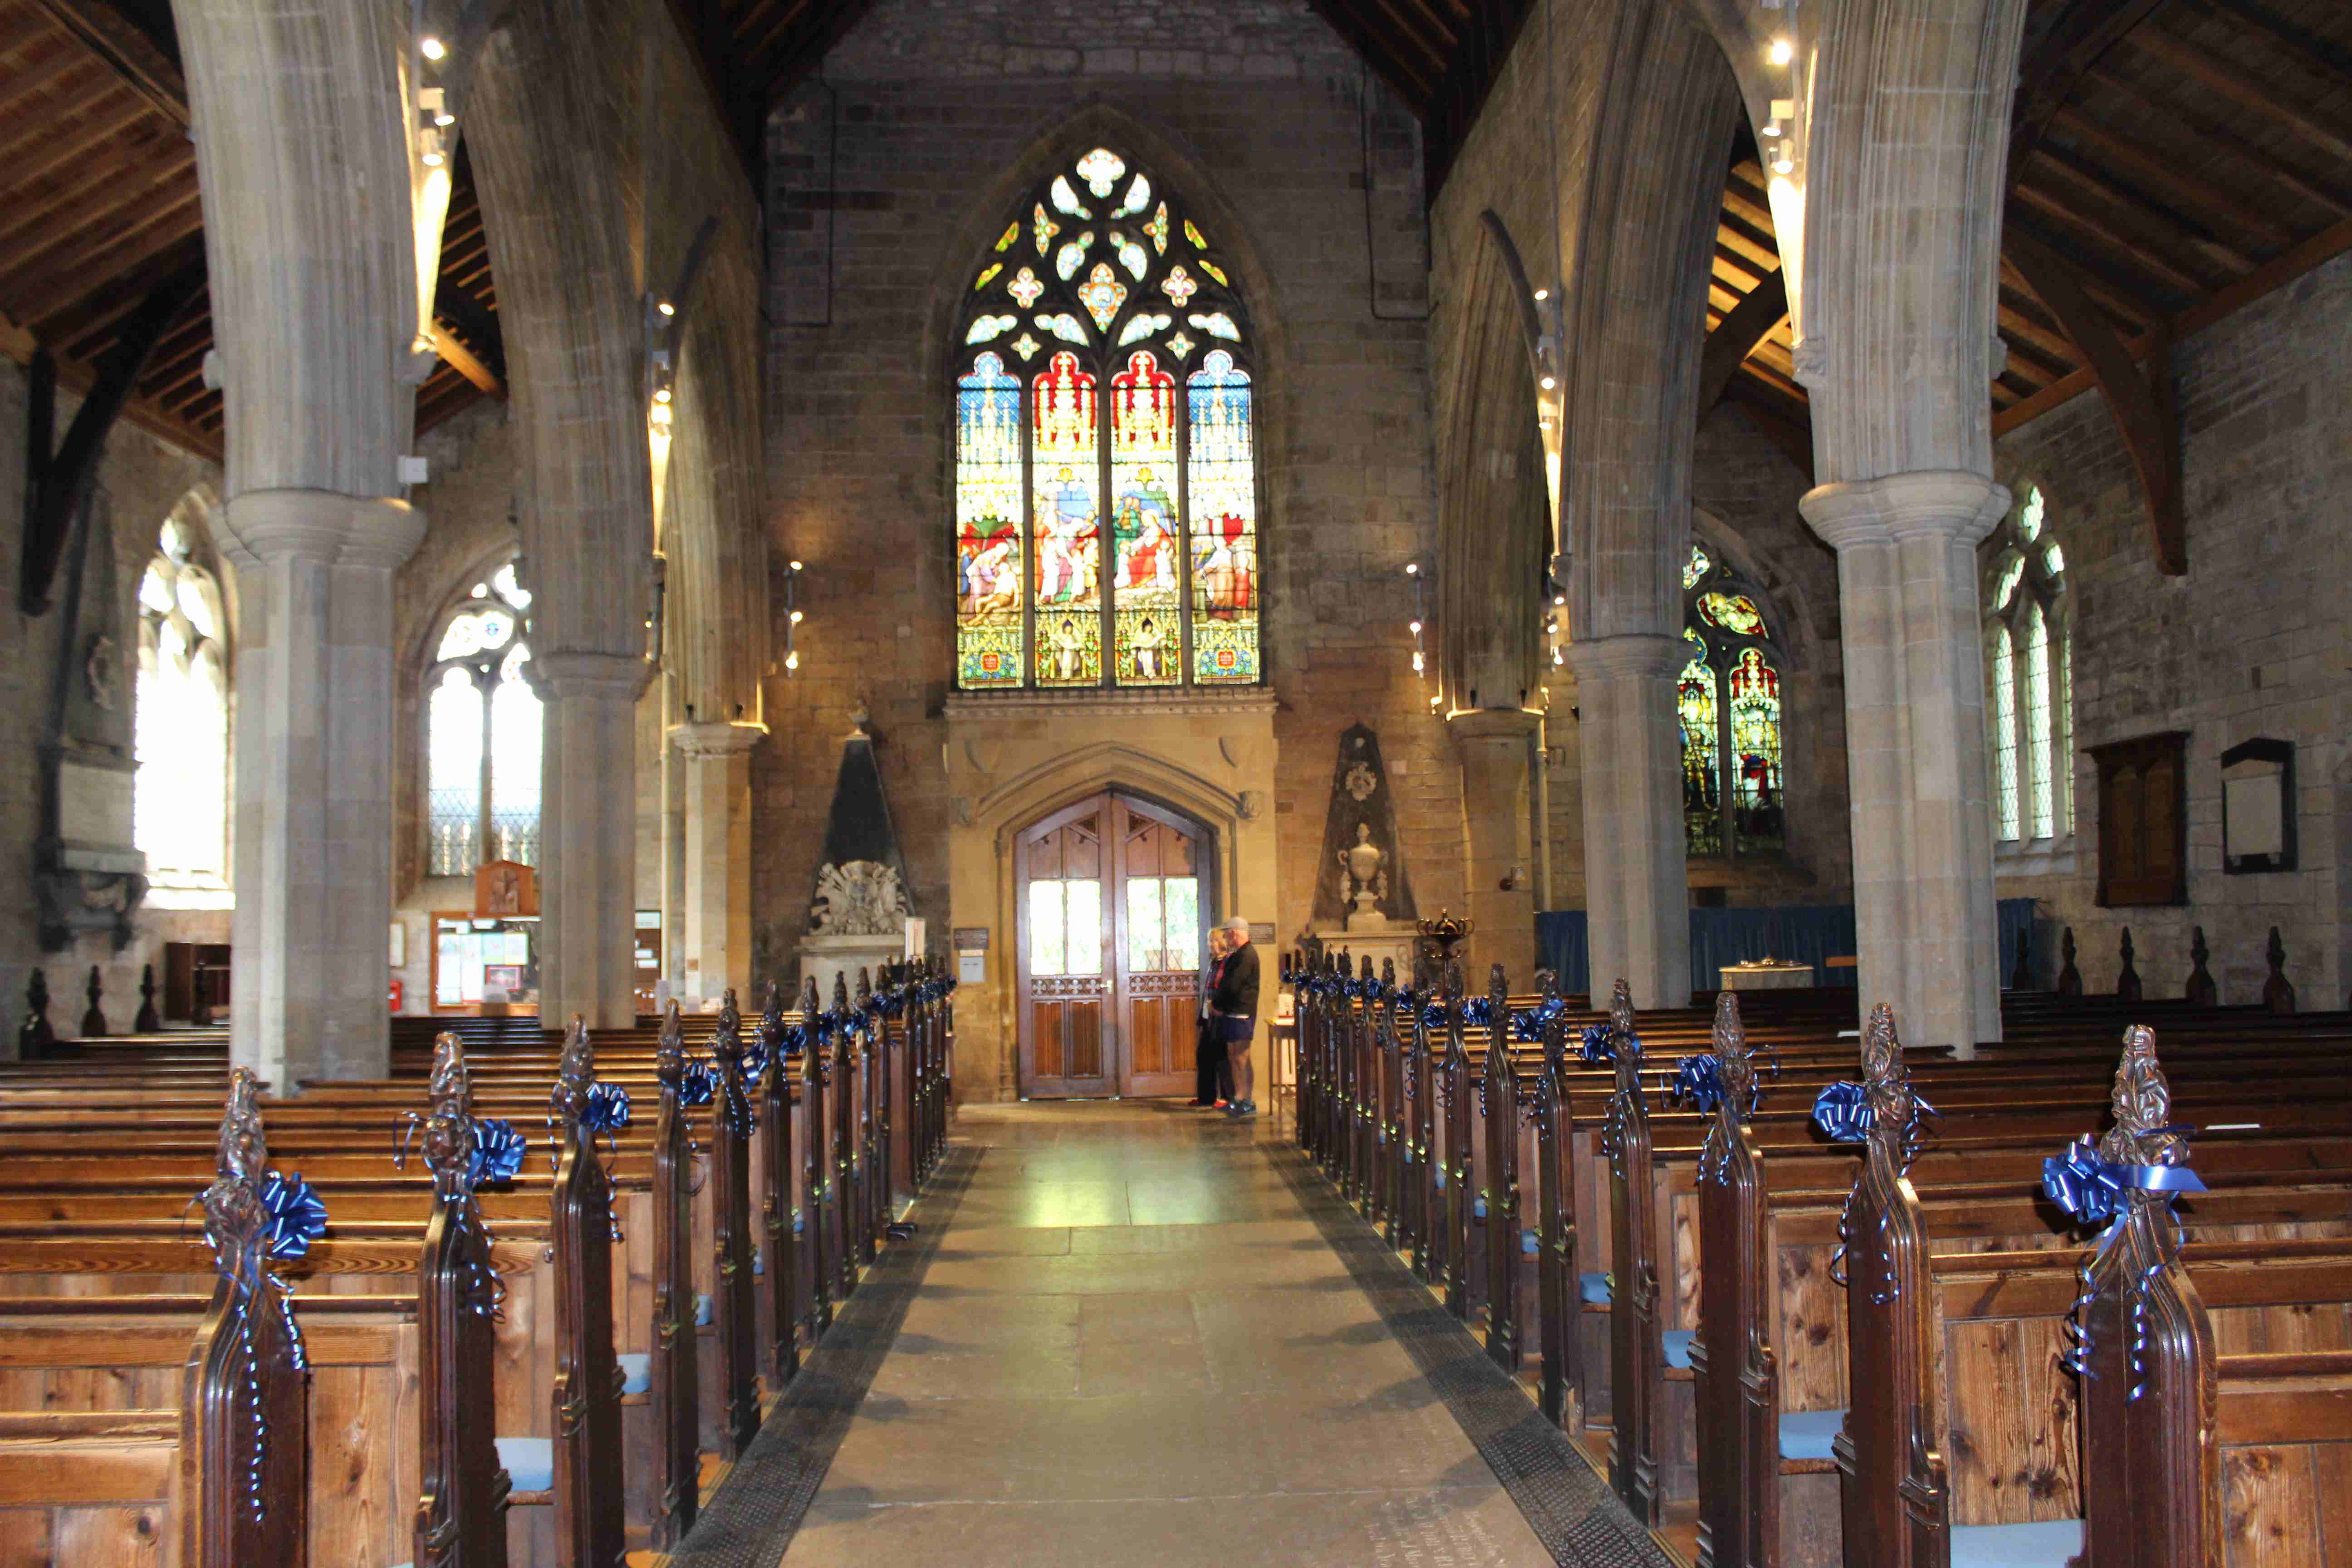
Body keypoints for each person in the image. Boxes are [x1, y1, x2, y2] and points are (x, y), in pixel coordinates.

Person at [1206, 914, 1261, 1118]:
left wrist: (1217, 1004)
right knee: (1233, 1056)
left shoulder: (1247, 956)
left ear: (1234, 933)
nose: (1226, 938)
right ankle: (1238, 1098)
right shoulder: (1239, 955)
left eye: (1228, 933)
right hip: (1233, 1012)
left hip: (1242, 1013)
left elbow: (1233, 986)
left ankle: (1247, 1100)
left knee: (1242, 1058)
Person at [1191, 926, 1234, 1107]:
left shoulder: (1229, 962)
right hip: (1209, 1014)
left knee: (1222, 1057)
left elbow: (1225, 989)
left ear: (1222, 942)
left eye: (1213, 941)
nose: (1210, 944)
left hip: (1221, 1015)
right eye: (1209, 941)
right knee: (1204, 1055)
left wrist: (1217, 1008)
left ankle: (1227, 1098)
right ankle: (1206, 1097)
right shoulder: (1214, 962)